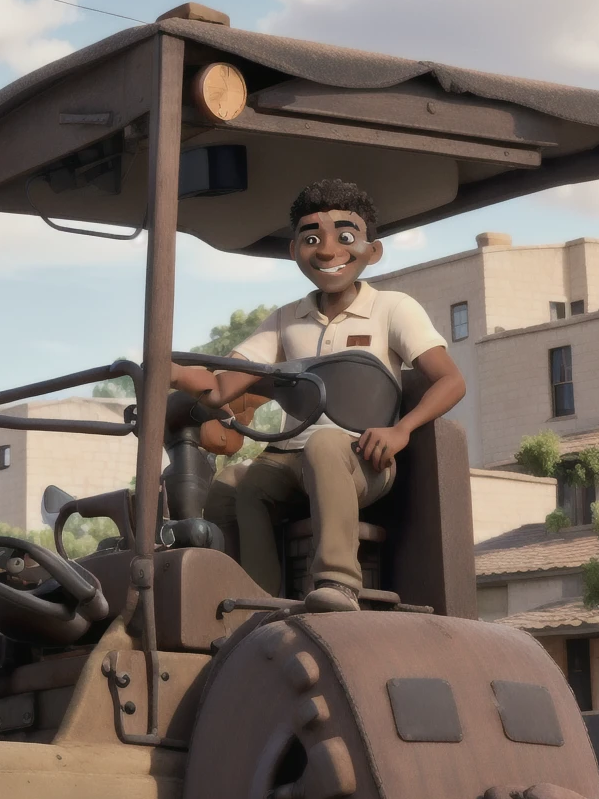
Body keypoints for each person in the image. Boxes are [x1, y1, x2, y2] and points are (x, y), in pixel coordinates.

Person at [170, 178, 466, 611]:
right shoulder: (285, 319)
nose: (328, 251)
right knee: (239, 484)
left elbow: (450, 380)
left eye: (345, 238)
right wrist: (170, 371)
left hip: (361, 457)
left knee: (326, 445)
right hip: (291, 459)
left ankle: (338, 581)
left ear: (372, 250)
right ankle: (256, 598)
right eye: (312, 239)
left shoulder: (393, 308)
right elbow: (222, 386)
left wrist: (401, 430)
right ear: (294, 251)